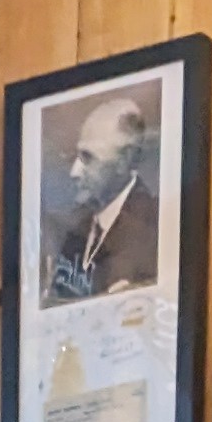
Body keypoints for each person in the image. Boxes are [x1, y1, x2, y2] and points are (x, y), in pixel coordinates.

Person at [44, 93, 162, 298]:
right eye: (76, 157)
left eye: (88, 157)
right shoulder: (73, 229)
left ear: (125, 160)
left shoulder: (156, 227)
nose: (74, 172)